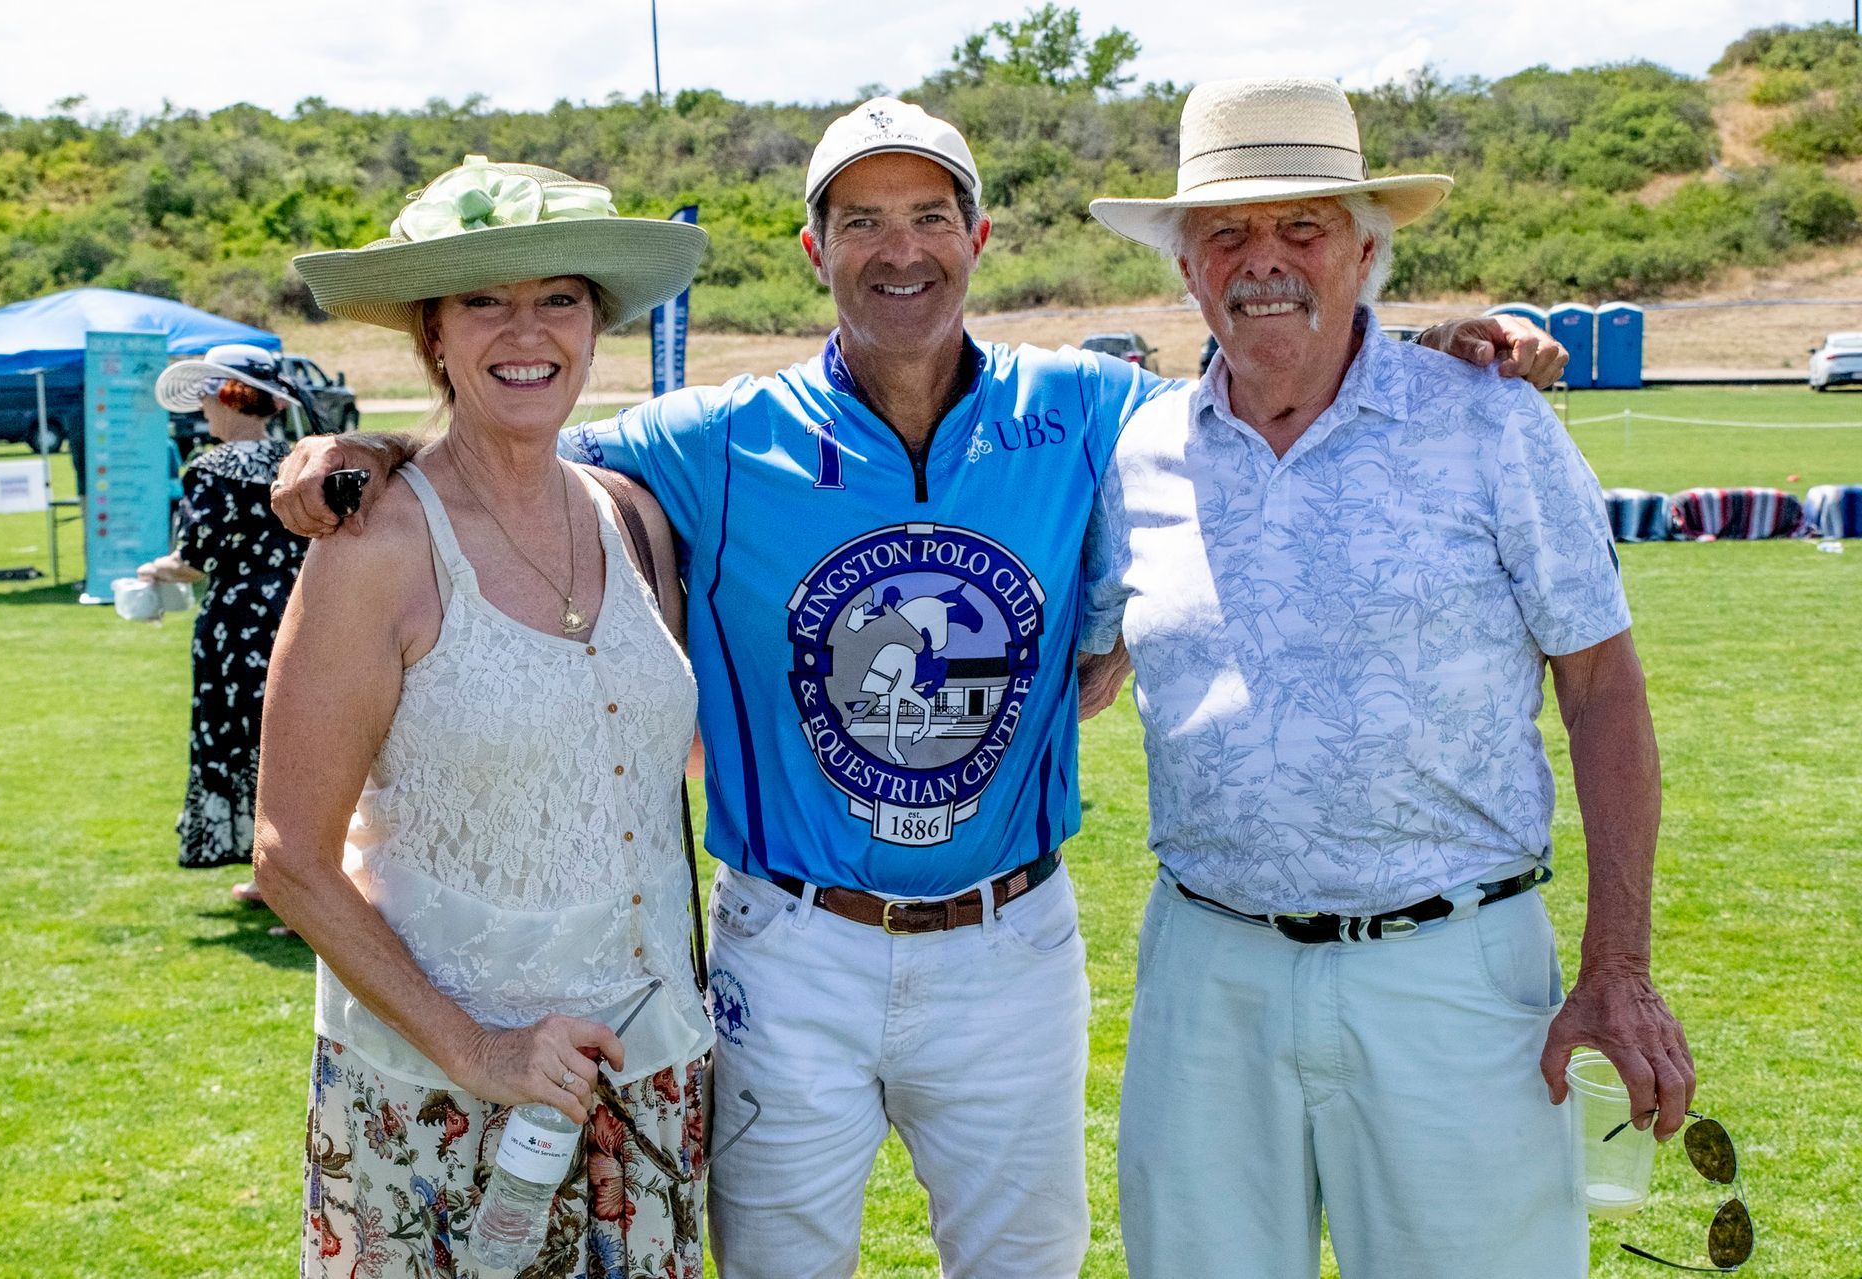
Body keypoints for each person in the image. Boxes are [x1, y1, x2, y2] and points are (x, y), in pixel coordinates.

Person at [271, 102, 1566, 1279]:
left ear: (979, 238)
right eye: (864, 221)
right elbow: (503, 446)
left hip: (1011, 941)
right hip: (792, 946)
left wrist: (1441, 352)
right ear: (813, 248)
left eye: (931, 216)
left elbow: (1269, 378)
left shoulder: (1089, 409)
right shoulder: (714, 438)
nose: (902, 251)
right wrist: (355, 452)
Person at [1079, 77, 1694, 1278]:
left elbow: (1604, 689)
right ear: (1186, 267)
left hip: (1451, 973)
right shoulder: (1138, 452)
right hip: (1208, 976)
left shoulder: (1488, 421)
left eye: (1303, 227)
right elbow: (1086, 667)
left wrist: (1620, 967)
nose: (1265, 260)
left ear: (1365, 251)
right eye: (1227, 233)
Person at [252, 155, 715, 1278]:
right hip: (440, 1100)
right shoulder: (375, 544)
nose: (527, 330)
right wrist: (482, 1049)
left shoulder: (634, 517)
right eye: (484, 300)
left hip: (646, 1087)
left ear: (595, 324)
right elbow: (288, 856)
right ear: (434, 334)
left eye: (559, 297)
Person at [141, 345, 308, 904]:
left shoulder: (212, 468)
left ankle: (284, 881)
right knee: (290, 743)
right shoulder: (296, 460)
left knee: (243, 740)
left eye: (207, 397)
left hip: (238, 624)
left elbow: (195, 558)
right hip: (301, 610)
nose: (202, 409)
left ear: (228, 398)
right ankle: (281, 876)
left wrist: (153, 570)